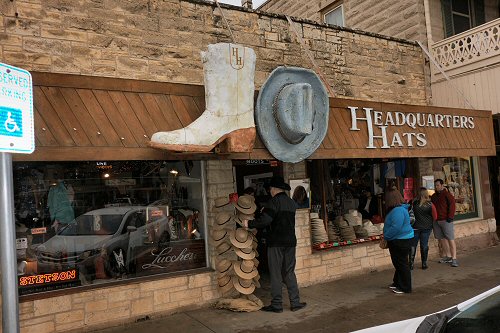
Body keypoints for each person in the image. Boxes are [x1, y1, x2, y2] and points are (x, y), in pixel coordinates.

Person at [243, 176, 306, 313]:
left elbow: (265, 221)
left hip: (276, 243)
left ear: (275, 189)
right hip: (290, 242)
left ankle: (277, 305)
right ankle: (295, 303)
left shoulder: (273, 202)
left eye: (270, 188)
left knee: (276, 273)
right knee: (289, 272)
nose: (269, 191)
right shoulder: (291, 202)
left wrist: (249, 223)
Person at [383, 187, 414, 294]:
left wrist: (386, 236)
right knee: (399, 263)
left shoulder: (398, 211)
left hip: (400, 240)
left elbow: (396, 227)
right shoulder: (399, 209)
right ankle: (397, 283)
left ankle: (405, 287)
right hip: (401, 239)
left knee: (401, 263)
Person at [431, 179, 458, 267]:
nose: (436, 187)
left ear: (442, 185)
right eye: (435, 185)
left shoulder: (447, 194)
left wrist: (450, 217)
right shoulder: (434, 196)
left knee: (450, 238)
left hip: (446, 220)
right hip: (436, 221)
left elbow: (452, 205)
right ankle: (448, 256)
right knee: (442, 239)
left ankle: (454, 259)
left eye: (438, 185)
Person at [410, 187, 437, 270]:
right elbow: (435, 216)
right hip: (427, 227)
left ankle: (410, 264)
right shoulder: (430, 204)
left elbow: (410, 214)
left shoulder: (414, 203)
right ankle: (424, 263)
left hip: (415, 227)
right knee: (424, 245)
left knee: (413, 245)